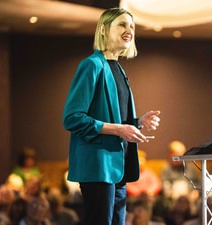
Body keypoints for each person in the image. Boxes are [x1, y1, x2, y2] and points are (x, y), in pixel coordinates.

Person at [62, 8, 161, 225]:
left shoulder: (117, 68)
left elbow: (115, 118)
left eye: (132, 27)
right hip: (98, 168)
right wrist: (119, 129)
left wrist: (137, 122)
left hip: (118, 169)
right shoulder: (91, 65)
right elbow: (72, 118)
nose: (129, 31)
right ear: (104, 30)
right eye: (122, 25)